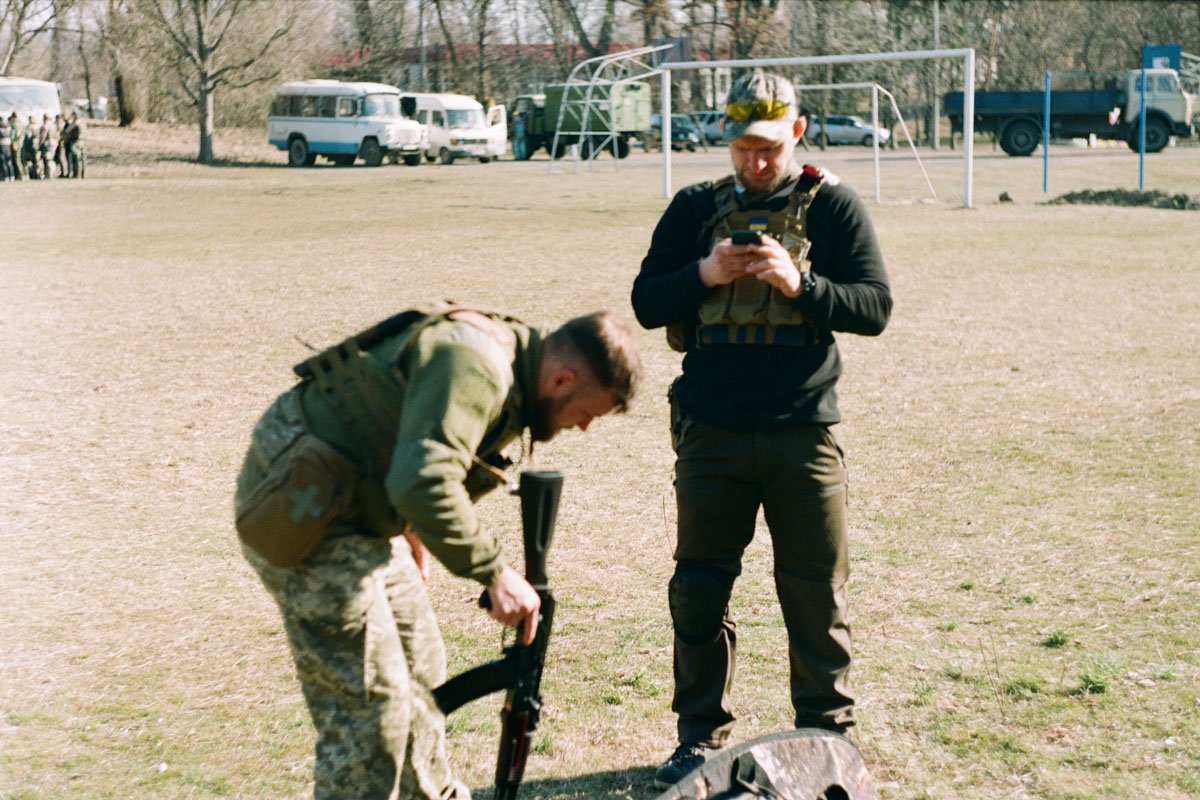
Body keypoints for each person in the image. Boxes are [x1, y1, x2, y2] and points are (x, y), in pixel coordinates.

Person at [234, 303, 641, 800]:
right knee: (371, 718)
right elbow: (422, 479)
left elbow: (413, 436)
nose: (583, 428)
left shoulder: (517, 376)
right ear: (561, 380)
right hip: (308, 510)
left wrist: (412, 530)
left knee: (423, 672)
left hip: (364, 510)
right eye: (586, 413)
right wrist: (493, 570)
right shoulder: (479, 365)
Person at [630, 70, 892, 788]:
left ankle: (827, 738)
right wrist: (706, 273)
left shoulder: (832, 206)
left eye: (770, 147)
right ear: (727, 138)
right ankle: (697, 737)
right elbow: (647, 301)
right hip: (712, 432)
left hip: (803, 431)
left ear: (797, 134)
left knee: (815, 590)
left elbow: (874, 307)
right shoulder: (691, 209)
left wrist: (800, 286)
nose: (756, 162)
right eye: (744, 146)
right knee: (698, 589)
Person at [64, 112, 85, 178]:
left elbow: (67, 131)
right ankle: (82, 174)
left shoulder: (75, 123)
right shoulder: (83, 123)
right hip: (82, 142)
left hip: (75, 141)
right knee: (82, 159)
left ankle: (76, 174)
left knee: (76, 158)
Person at [38, 113, 57, 180]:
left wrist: (39, 144)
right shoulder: (53, 126)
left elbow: (43, 136)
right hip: (54, 143)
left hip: (47, 143)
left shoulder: (44, 126)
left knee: (47, 159)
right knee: (52, 159)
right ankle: (53, 173)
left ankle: (49, 174)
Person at [0, 114, 13, 182]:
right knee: (9, 162)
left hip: (1, 146)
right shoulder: (9, 128)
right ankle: (12, 176)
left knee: (3, 162)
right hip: (8, 146)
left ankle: (6, 176)